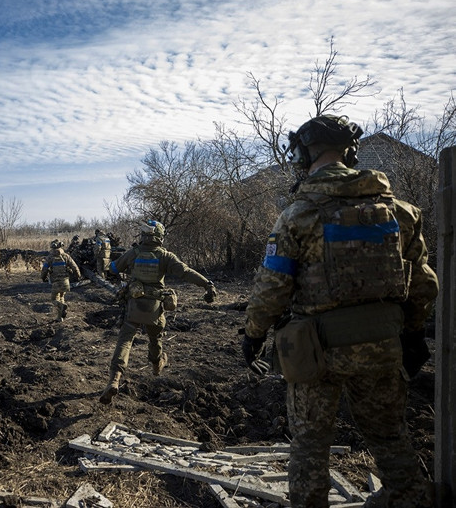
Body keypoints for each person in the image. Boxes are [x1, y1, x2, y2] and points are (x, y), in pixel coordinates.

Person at [241, 114, 439, 508]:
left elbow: (273, 287)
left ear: (305, 153)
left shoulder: (298, 215)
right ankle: (412, 499)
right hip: (383, 347)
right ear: (350, 151)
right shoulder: (401, 211)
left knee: (310, 446)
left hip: (317, 352)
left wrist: (253, 334)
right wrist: (414, 333)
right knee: (389, 437)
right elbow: (423, 284)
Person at [99, 220, 218, 404]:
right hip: (154, 309)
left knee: (125, 342)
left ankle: (114, 380)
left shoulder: (133, 253)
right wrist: (206, 284)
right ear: (160, 237)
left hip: (134, 307)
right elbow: (186, 272)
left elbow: (113, 269)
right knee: (155, 339)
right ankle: (156, 365)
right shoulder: (165, 256)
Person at [40, 239, 81, 322]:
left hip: (56, 282)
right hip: (65, 281)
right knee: (61, 297)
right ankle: (59, 317)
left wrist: (43, 278)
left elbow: (44, 269)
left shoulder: (50, 258)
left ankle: (61, 307)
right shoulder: (66, 256)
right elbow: (75, 267)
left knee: (54, 300)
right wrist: (78, 276)